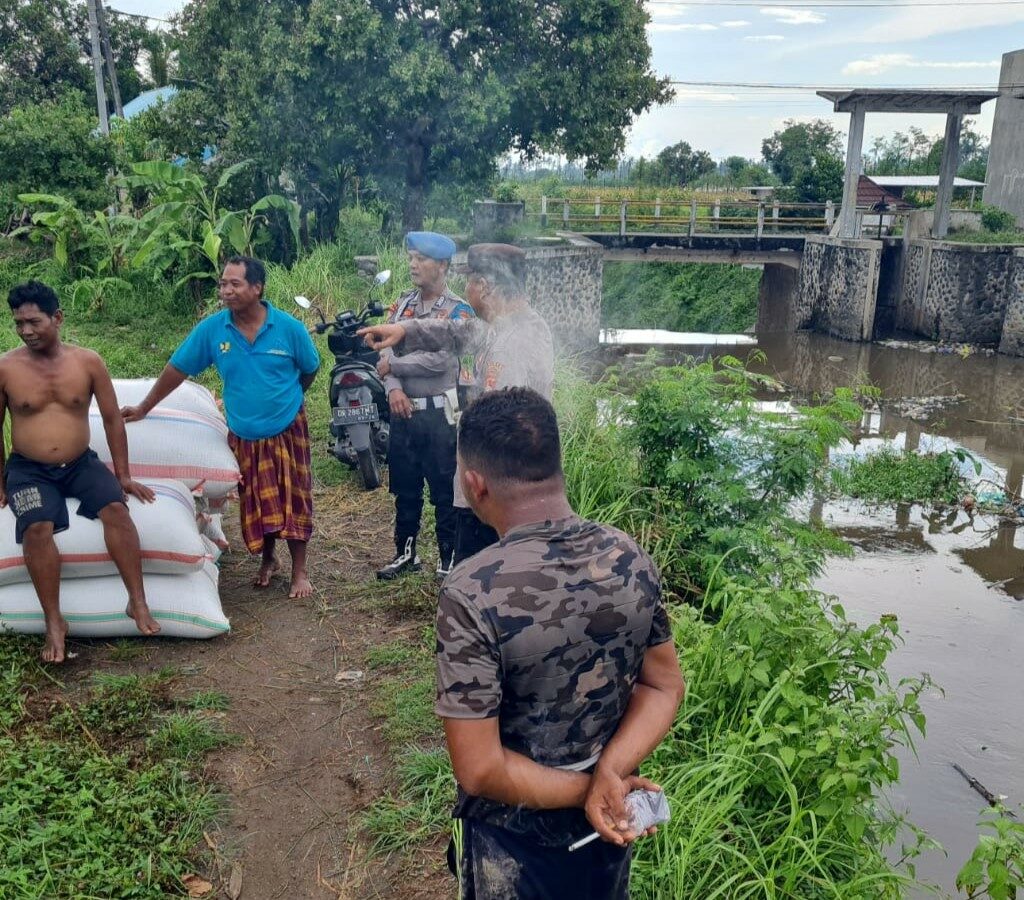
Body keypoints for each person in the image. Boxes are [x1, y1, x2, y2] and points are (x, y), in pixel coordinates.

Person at [435, 388, 685, 899]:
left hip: (512, 842)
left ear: (474, 482)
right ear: (555, 464)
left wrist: (590, 790)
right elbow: (664, 686)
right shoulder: (629, 556)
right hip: (610, 825)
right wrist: (608, 776)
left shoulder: (472, 590)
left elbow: (480, 769)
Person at [122, 256, 320, 599]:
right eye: (223, 284)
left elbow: (310, 369)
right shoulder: (214, 330)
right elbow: (177, 369)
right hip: (244, 434)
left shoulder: (289, 329)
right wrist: (143, 407)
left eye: (234, 284)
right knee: (256, 499)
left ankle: (300, 571)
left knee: (295, 497)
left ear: (257, 288)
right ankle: (269, 559)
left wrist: (288, 398)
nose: (226, 291)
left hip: (288, 428)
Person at [359, 243, 554, 564]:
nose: (467, 288)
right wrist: (403, 329)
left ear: (485, 287)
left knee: (477, 580)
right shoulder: (503, 327)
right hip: (496, 492)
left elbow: (503, 431)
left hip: (496, 495)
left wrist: (478, 491)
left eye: (471, 280)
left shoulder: (511, 345)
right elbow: (454, 331)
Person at [0, 281, 160, 663]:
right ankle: (55, 621)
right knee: (37, 527)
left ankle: (136, 601)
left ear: (57, 317)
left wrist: (122, 475)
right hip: (28, 469)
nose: (26, 331)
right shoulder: (6, 367)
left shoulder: (88, 362)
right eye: (18, 323)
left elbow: (111, 419)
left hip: (80, 463)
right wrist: (1, 482)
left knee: (116, 509)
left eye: (34, 321)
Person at [375, 232, 475, 581]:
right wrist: (393, 389)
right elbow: (383, 349)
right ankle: (406, 554)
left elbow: (441, 361)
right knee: (405, 487)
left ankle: (447, 559)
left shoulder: (457, 312)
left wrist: (395, 367)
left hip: (439, 414)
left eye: (421, 259)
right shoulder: (402, 305)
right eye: (411, 257)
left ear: (443, 265)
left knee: (444, 489)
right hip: (403, 410)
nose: (413, 265)